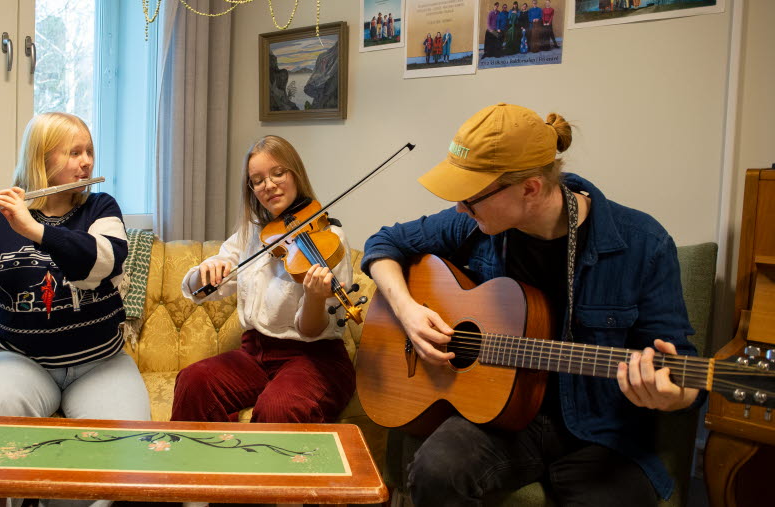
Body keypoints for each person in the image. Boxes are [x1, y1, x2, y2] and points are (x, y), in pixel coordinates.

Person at [361, 103, 702, 506]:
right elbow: (383, 243)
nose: (459, 208)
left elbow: (681, 367)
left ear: (530, 188)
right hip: (500, 420)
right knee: (436, 470)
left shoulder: (643, 244)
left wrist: (671, 395)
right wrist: (408, 310)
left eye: (471, 198)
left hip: (599, 434)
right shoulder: (474, 224)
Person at [0, 112, 151, 424]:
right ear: (40, 158)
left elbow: (105, 260)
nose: (86, 161)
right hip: (19, 361)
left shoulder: (100, 207)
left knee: (128, 441)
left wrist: (35, 230)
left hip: (101, 362)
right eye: (74, 153)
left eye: (89, 151)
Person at [170, 135, 356, 424]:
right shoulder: (253, 233)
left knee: (279, 407)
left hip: (314, 358)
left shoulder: (330, 239)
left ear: (295, 173)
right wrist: (209, 267)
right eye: (257, 180)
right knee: (193, 381)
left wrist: (316, 298)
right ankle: (200, 468)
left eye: (277, 173)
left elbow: (312, 331)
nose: (268, 185)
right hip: (255, 354)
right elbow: (198, 290)